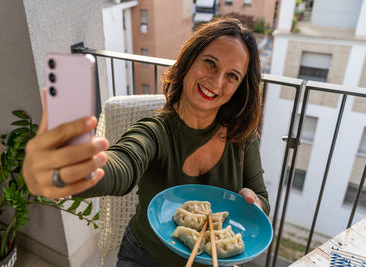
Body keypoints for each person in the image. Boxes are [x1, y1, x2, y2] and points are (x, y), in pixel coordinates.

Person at [23, 16, 269, 267]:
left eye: (232, 76)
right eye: (210, 63)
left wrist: (255, 202)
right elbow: (122, 164)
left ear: (240, 87)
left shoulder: (242, 137)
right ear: (189, 60)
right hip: (145, 256)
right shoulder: (155, 131)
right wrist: (67, 174)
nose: (216, 81)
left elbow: (260, 197)